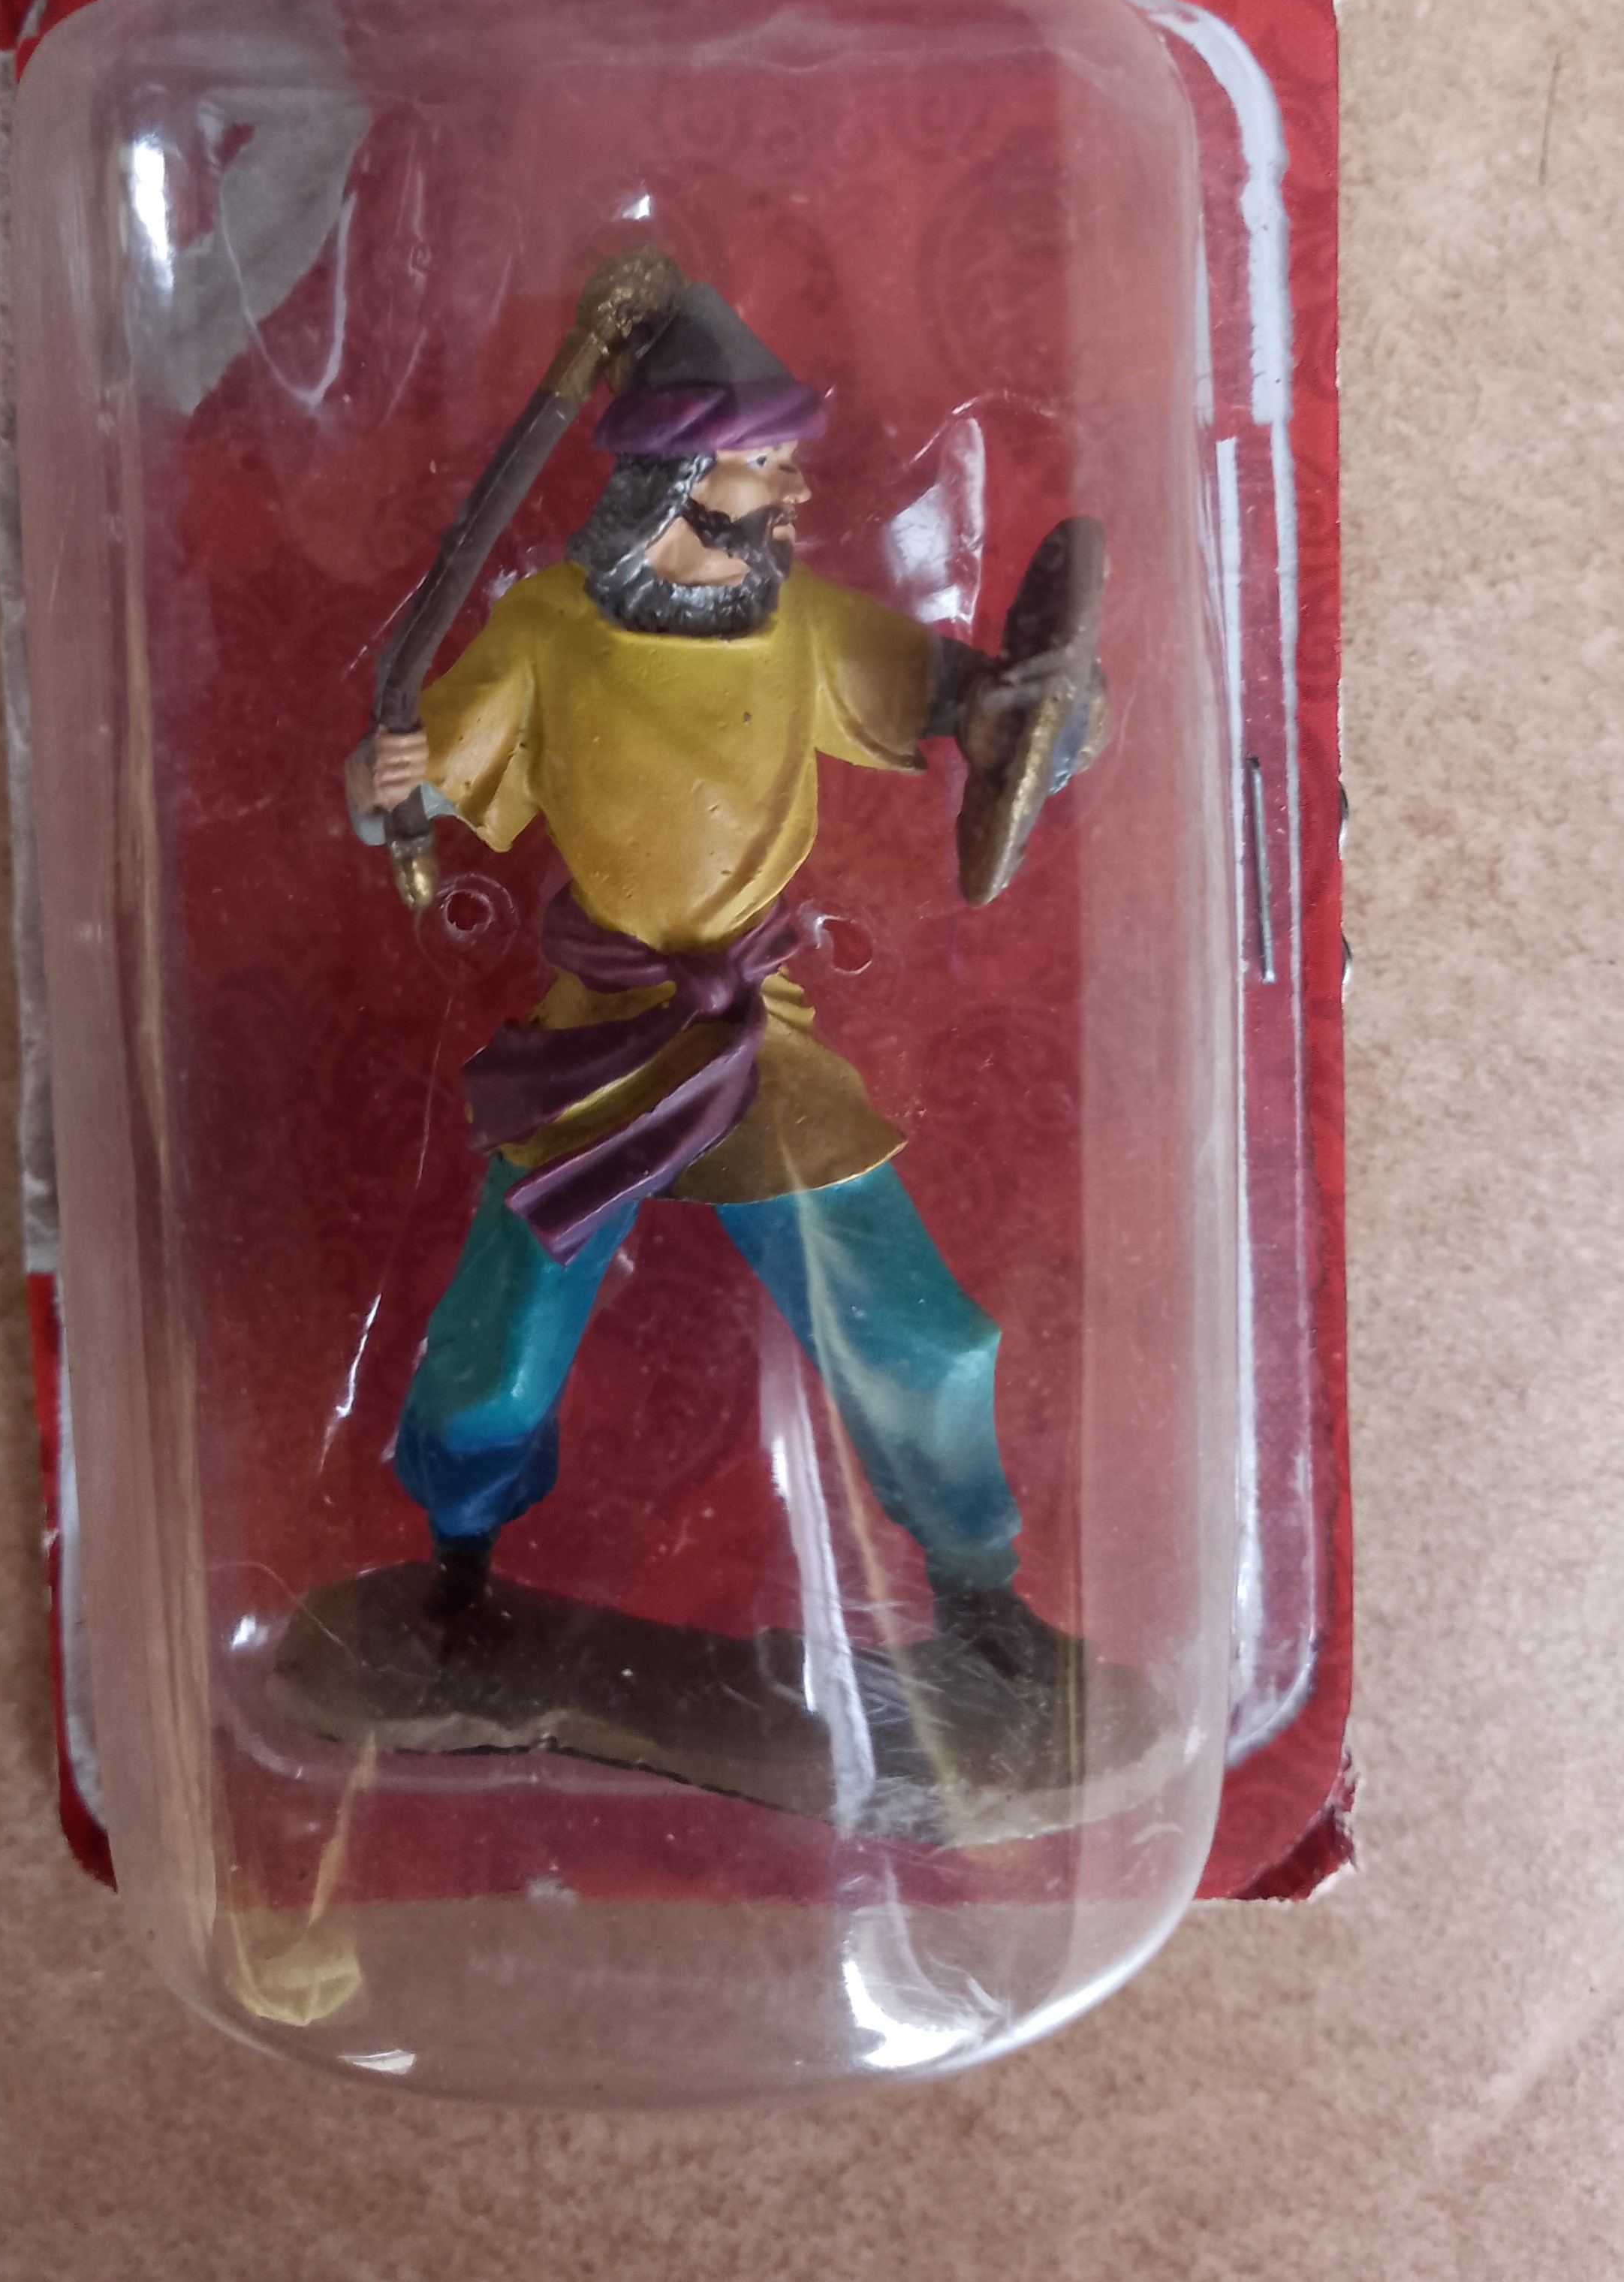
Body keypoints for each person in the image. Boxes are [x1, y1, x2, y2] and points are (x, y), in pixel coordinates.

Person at [345, 284, 1101, 1702]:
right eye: (764, 461)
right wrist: (390, 785)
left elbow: (975, 700)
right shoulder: (549, 631)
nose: (793, 486)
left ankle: (977, 1594)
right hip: (599, 1040)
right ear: (681, 472)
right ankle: (456, 1575)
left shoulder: (803, 625)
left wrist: (1051, 710)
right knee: (496, 1351)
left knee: (920, 1331)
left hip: (756, 1040)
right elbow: (418, 782)